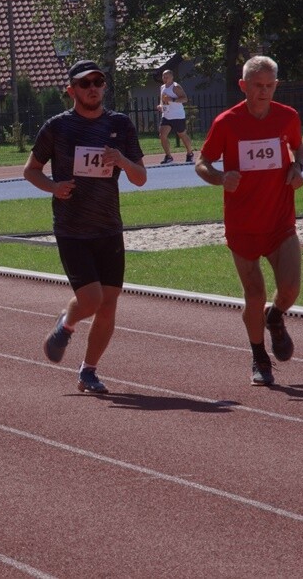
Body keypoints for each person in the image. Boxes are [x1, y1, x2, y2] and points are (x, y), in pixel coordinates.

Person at [24, 60, 147, 394]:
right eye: (85, 83)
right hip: (72, 228)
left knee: (109, 304)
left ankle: (88, 371)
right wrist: (54, 187)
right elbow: (31, 170)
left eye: (98, 81)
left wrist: (121, 159)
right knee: (91, 299)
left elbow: (140, 177)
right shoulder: (57, 127)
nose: (93, 87)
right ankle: (67, 323)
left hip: (109, 227)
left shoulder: (120, 124)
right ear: (71, 90)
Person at [195, 55, 303, 386]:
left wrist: (298, 168)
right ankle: (259, 356)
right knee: (254, 294)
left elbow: (298, 150)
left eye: (270, 86)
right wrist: (218, 177)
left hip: (280, 220)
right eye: (258, 86)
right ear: (243, 86)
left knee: (290, 288)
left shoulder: (288, 117)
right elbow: (202, 162)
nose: (264, 91)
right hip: (243, 224)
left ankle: (275, 317)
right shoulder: (227, 122)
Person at [156, 69, 194, 163]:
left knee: (182, 135)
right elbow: (163, 100)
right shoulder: (162, 87)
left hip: (178, 116)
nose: (164, 79)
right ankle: (168, 156)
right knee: (162, 135)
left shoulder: (176, 87)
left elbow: (184, 99)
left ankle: (190, 153)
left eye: (167, 77)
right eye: (163, 77)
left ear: (172, 77)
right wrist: (161, 106)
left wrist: (172, 99)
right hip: (166, 116)